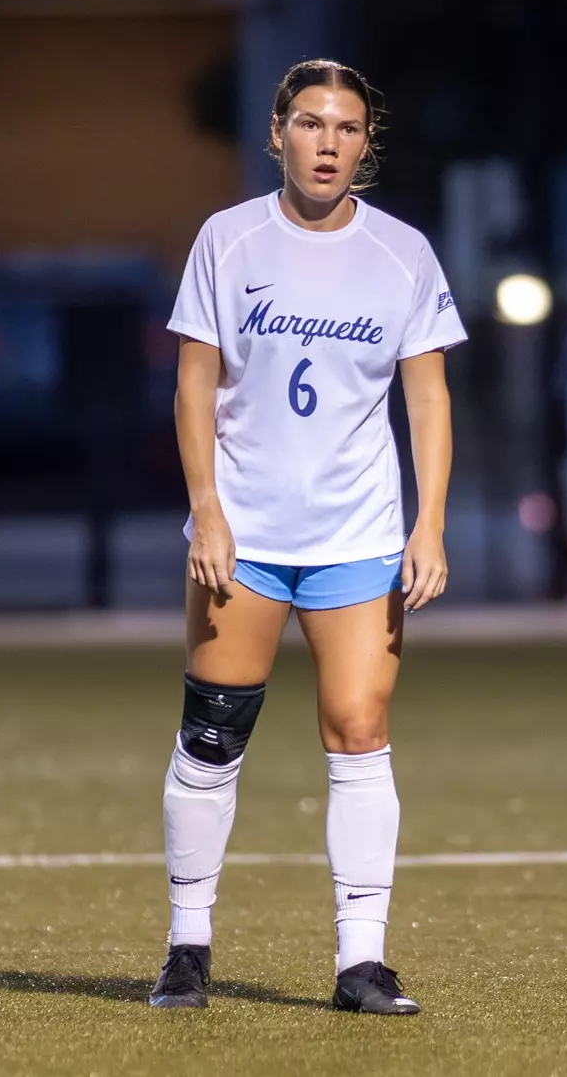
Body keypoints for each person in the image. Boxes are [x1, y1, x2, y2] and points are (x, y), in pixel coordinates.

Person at [150, 58, 466, 1016]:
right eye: (313, 124)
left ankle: (361, 963)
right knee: (213, 734)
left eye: (350, 129)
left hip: (357, 534)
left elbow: (428, 396)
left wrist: (430, 524)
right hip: (243, 539)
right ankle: (187, 948)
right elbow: (195, 382)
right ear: (279, 130)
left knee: (361, 730)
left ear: (367, 147)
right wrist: (206, 507)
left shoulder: (403, 253)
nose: (330, 143)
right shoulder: (228, 239)